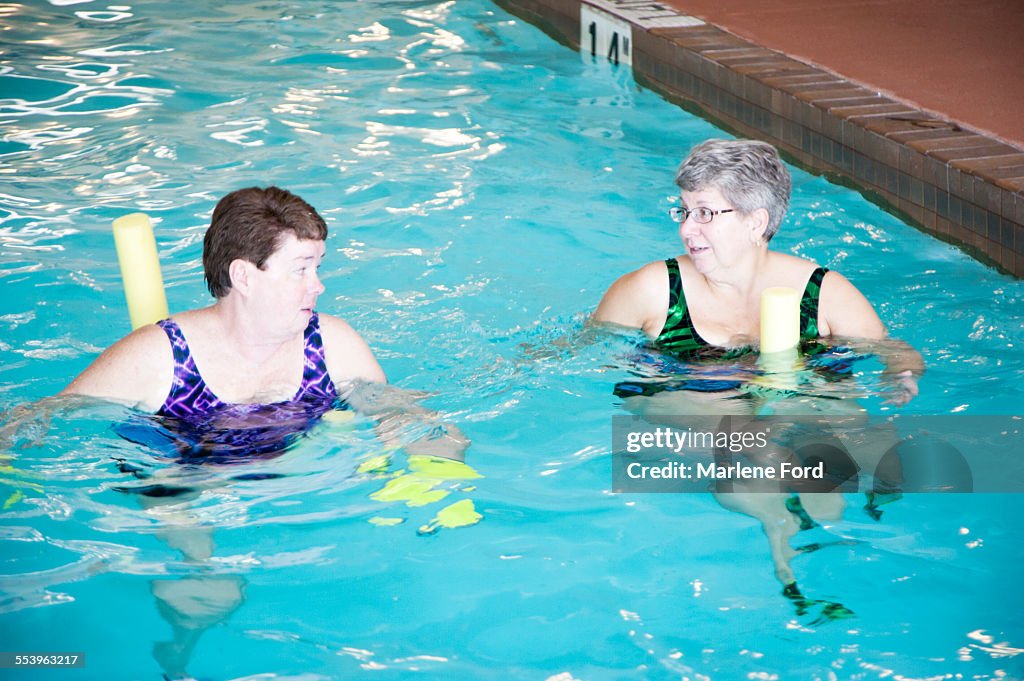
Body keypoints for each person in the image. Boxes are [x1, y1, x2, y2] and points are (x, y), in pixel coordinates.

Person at [61, 186, 465, 460]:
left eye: (318, 267)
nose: (318, 285)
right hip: (186, 487)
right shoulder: (160, 358)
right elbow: (44, 422)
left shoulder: (331, 345)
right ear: (244, 277)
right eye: (300, 269)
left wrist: (436, 468)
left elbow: (407, 420)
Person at [593, 138, 922, 397]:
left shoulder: (823, 294)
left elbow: (894, 351)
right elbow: (588, 354)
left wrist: (900, 374)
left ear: (756, 223)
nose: (686, 229)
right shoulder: (653, 291)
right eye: (684, 211)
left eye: (705, 213)